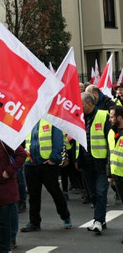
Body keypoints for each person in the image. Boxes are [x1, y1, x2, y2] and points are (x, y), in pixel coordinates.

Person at [21, 119, 72, 232]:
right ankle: (34, 222)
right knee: (33, 195)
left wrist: (53, 159)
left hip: (47, 164)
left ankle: (65, 216)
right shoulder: (28, 120)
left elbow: (58, 140)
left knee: (55, 191)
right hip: (30, 163)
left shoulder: (52, 120)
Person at [76, 92, 110, 234]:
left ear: (89, 103)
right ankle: (101, 219)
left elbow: (110, 141)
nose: (79, 106)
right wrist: (77, 159)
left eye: (81, 103)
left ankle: (97, 221)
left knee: (101, 193)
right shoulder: (79, 117)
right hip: (86, 163)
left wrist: (109, 162)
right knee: (93, 195)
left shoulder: (103, 116)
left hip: (101, 163)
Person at [108, 105, 123, 242]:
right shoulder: (112, 132)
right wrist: (110, 174)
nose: (110, 119)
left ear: (119, 118)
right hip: (117, 175)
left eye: (112, 116)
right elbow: (110, 154)